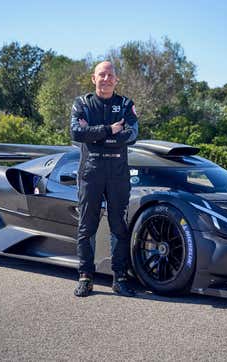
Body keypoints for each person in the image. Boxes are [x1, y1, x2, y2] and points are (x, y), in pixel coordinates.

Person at [69, 61, 139, 297]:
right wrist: (110, 130)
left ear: (116, 80)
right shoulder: (82, 103)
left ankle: (119, 279)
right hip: (91, 172)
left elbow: (132, 135)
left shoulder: (126, 104)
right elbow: (77, 133)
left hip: (118, 174)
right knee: (87, 225)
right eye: (102, 74)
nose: (106, 78)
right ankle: (85, 277)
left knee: (118, 225)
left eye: (111, 75)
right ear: (93, 78)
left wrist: (96, 136)